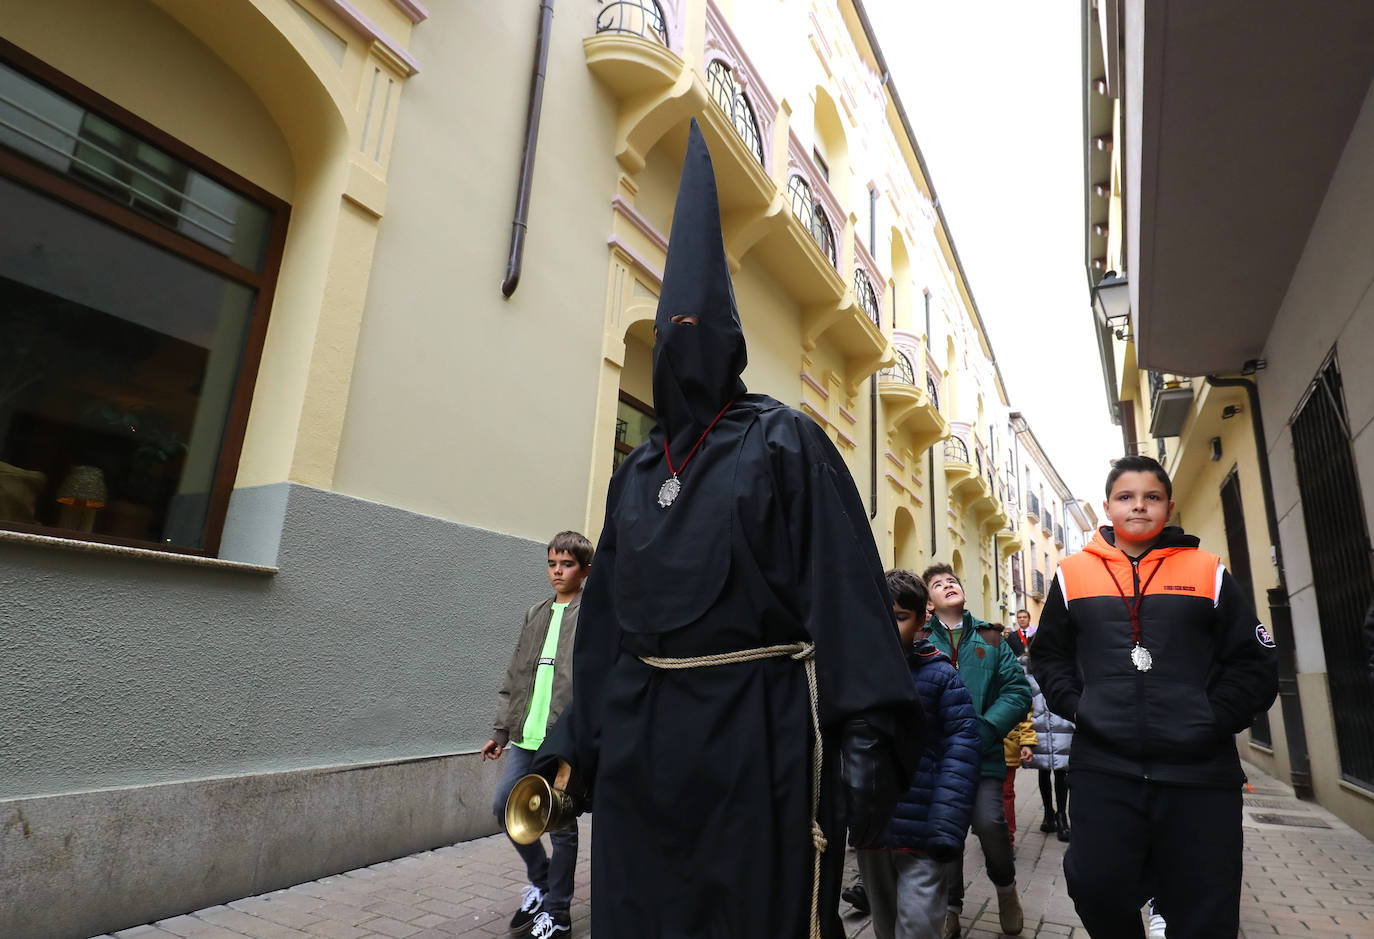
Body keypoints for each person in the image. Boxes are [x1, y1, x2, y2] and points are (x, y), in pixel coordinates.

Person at [536, 119, 923, 939]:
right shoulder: (637, 473)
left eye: (701, 329)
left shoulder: (784, 439)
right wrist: (570, 749)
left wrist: (866, 732)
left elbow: (844, 591)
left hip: (759, 735)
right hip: (645, 748)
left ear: (732, 339)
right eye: (671, 330)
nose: (687, 346)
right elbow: (604, 630)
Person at [1031, 455, 1279, 938]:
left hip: (1199, 772)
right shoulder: (1070, 574)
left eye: (1152, 497)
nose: (1138, 506)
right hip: (1106, 765)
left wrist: (1209, 717)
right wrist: (1082, 706)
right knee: (1095, 886)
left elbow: (1253, 661)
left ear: (1168, 505)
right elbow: (1050, 657)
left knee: (1205, 905)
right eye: (1126, 497)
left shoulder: (1208, 571)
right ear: (1107, 507)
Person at [480, 531, 593, 937]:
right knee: (503, 810)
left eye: (566, 564)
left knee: (559, 822)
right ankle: (542, 883)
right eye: (552, 564)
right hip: (526, 737)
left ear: (585, 570)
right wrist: (501, 730)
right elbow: (515, 674)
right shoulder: (536, 613)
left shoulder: (592, 613)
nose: (557, 571)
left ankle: (559, 913)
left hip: (563, 738)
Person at [857, 569, 980, 939]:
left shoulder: (941, 676)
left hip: (923, 831)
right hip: (872, 830)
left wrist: (946, 824)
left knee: (920, 926)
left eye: (899, 617)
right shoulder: (856, 674)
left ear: (922, 618)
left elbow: (960, 750)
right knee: (884, 925)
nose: (887, 626)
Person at [920, 564, 1032, 938]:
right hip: (937, 758)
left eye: (952, 580)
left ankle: (1005, 891)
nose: (947, 584)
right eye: (937, 584)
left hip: (983, 753)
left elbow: (1017, 692)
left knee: (990, 824)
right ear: (929, 604)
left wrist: (985, 728)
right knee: (945, 831)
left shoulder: (991, 637)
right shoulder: (920, 640)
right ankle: (951, 908)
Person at [1023, 651, 1072, 842]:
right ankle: (1048, 813)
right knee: (1043, 771)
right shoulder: (1025, 667)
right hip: (1038, 726)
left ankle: (1061, 816)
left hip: (1061, 725)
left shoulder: (1064, 663)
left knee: (1061, 771)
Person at [1001, 700, 1036, 852]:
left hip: (1008, 746)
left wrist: (1027, 743)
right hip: (979, 746)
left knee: (1006, 794)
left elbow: (1025, 711)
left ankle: (1007, 839)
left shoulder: (1014, 677)